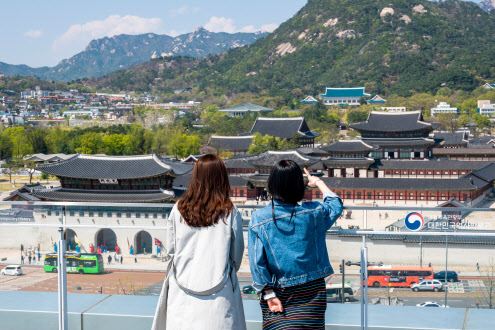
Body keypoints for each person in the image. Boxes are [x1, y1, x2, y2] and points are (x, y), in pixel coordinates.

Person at [153, 154, 246, 330]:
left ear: (195, 177)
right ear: (222, 178)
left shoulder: (179, 208)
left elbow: (171, 250)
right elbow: (236, 253)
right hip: (219, 288)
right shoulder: (229, 211)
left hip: (181, 288)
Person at [248, 161, 343, 329]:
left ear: (272, 185)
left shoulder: (259, 218)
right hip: (312, 293)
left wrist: (269, 293)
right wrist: (318, 183)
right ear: (299, 186)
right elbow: (335, 206)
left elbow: (257, 262)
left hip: (278, 293)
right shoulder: (313, 213)